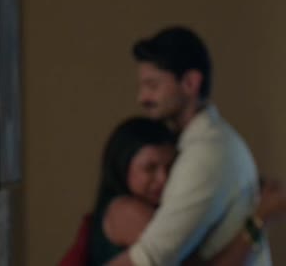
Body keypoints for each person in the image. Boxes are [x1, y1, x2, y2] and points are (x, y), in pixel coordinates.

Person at [108, 27, 271, 265]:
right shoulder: (200, 144)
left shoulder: (206, 153)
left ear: (190, 83)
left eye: (152, 86)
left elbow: (151, 258)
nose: (142, 98)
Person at [86, 117, 286, 265]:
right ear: (122, 167)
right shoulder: (126, 212)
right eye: (150, 168)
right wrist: (260, 219)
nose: (162, 179)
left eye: (169, 167)